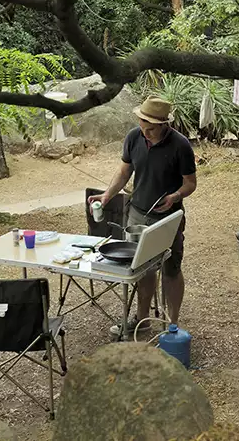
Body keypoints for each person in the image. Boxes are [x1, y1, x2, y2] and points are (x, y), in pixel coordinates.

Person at [88, 96, 197, 335]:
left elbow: (190, 183)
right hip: (137, 214)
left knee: (171, 268)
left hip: (168, 219)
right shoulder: (133, 137)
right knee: (142, 270)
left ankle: (173, 324)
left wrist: (175, 197)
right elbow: (124, 171)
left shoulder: (181, 146)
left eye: (151, 129)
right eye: (142, 126)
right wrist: (107, 195)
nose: (145, 133)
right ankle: (142, 319)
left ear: (164, 125)